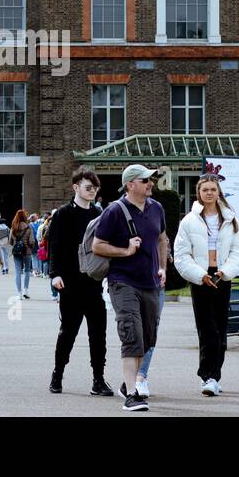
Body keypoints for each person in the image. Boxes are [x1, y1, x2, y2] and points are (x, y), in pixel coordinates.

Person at [92, 163, 168, 412]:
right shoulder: (115, 210)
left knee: (147, 339)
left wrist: (163, 268)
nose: (150, 184)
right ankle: (132, 394)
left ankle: (128, 385)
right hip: (123, 281)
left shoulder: (157, 208)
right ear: (130, 184)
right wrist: (125, 250)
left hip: (151, 283)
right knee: (131, 334)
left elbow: (161, 238)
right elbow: (98, 245)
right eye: (145, 180)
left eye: (151, 180)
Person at [174, 171, 239, 396]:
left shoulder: (229, 218)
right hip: (200, 278)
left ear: (218, 193)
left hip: (221, 277)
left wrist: (225, 272)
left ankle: (214, 375)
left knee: (220, 329)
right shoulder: (189, 221)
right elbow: (181, 255)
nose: (209, 193)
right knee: (206, 329)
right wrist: (199, 274)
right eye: (205, 189)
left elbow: (238, 250)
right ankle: (208, 376)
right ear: (198, 192)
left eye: (213, 189)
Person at [47, 167, 114, 397]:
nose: (92, 191)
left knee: (98, 334)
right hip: (70, 284)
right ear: (76, 187)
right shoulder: (63, 214)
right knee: (68, 332)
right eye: (88, 187)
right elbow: (54, 246)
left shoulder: (99, 213)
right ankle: (57, 374)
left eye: (94, 187)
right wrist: (54, 274)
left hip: (93, 283)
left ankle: (98, 379)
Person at [10, 210, 35, 300]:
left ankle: (19, 293)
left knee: (17, 272)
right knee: (27, 270)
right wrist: (30, 246)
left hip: (16, 252)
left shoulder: (13, 227)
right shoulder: (28, 227)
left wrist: (16, 244)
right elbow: (32, 241)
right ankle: (26, 291)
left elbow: (10, 241)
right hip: (27, 251)